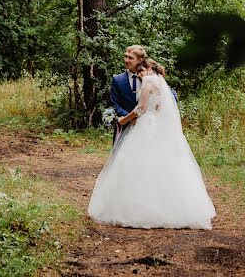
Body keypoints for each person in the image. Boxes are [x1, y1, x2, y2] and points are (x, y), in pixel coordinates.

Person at [88, 58, 216, 229]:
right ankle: (175, 207)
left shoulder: (148, 81)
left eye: (140, 71)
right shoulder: (160, 81)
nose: (139, 75)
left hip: (146, 126)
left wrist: (123, 119)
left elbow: (140, 108)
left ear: (146, 69)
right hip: (158, 126)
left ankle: (139, 208)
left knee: (137, 163)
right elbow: (160, 107)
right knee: (164, 164)